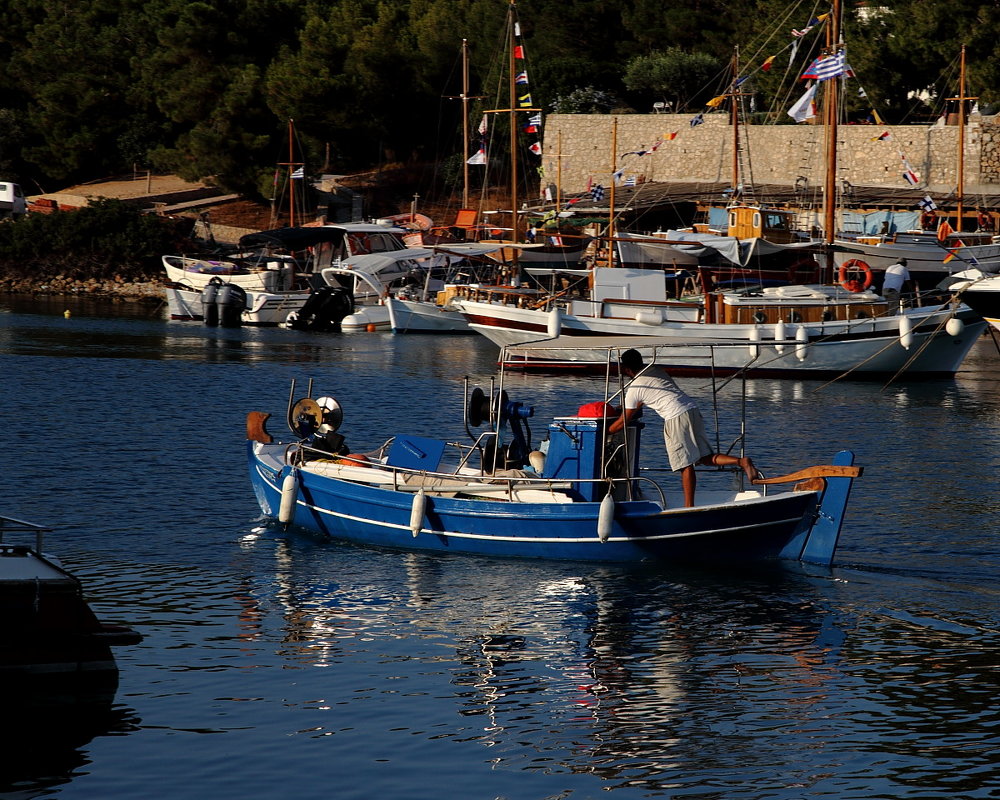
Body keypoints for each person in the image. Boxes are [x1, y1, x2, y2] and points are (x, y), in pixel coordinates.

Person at [607, 349, 757, 508]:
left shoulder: (635, 388)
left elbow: (623, 421)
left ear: (627, 369)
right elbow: (643, 401)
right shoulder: (656, 371)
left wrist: (605, 432)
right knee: (704, 457)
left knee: (685, 465)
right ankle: (741, 462)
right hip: (691, 410)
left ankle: (688, 506)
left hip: (675, 416)